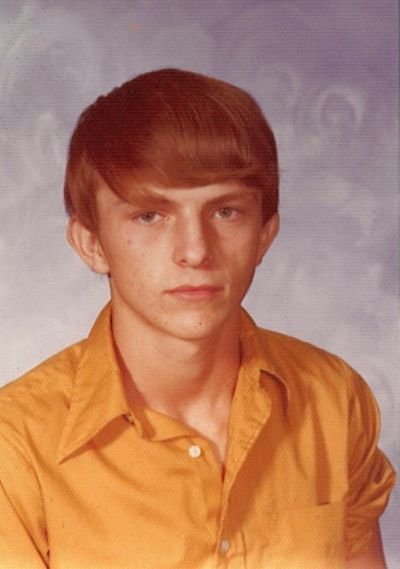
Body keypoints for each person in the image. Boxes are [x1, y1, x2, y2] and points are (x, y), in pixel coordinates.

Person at [0, 68, 395, 569]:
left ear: (265, 233)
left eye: (226, 211)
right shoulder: (14, 446)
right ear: (91, 243)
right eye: (150, 215)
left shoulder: (334, 400)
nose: (195, 250)